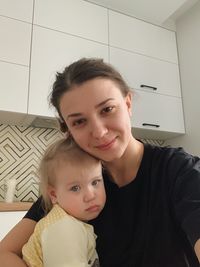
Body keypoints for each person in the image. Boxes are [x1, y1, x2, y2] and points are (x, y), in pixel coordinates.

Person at [0, 58, 200, 267]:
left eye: (107, 109)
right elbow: (4, 252)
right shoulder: (73, 184)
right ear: (68, 130)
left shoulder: (179, 170)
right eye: (79, 121)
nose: (99, 132)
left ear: (128, 103)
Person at [22, 138, 105, 267]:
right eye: (75, 188)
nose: (90, 196)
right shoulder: (64, 229)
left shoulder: (71, 222)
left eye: (95, 182)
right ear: (54, 195)